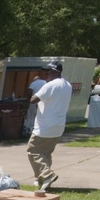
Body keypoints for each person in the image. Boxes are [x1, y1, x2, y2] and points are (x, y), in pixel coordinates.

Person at [27, 61, 72, 191]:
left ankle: (47, 175)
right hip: (58, 126)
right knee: (46, 153)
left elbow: (33, 100)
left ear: (55, 72)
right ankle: (43, 180)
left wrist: (35, 91)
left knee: (33, 151)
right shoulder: (67, 85)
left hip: (45, 126)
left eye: (48, 72)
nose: (45, 74)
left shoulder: (50, 85)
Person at [23, 68, 47, 136]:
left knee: (31, 115)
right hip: (43, 102)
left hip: (34, 101)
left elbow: (29, 92)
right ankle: (40, 129)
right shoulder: (45, 82)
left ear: (34, 79)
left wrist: (27, 99)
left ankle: (29, 128)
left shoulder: (33, 83)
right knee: (40, 116)